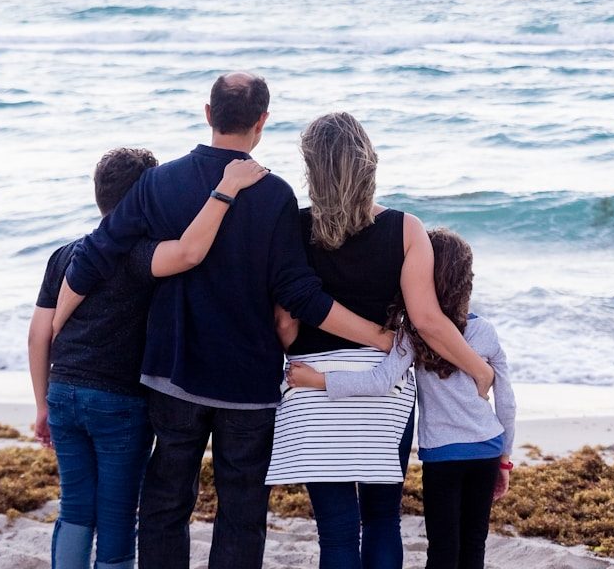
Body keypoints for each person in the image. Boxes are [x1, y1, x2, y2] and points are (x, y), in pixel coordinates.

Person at [50, 73, 395, 569]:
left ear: (208, 113)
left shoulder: (158, 182)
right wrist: (380, 338)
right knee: (242, 510)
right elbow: (300, 294)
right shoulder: (274, 195)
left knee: (166, 503)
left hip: (172, 373)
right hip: (247, 384)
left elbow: (95, 256)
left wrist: (58, 327)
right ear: (262, 122)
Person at [264, 113, 495, 569]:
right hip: (383, 390)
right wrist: (478, 368)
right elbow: (428, 320)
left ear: (312, 169)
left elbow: (285, 326)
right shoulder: (407, 229)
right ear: (368, 163)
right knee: (383, 519)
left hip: (314, 390)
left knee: (336, 534)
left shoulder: (290, 227)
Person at [29, 146, 268, 569]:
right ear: (147, 197)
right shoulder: (140, 256)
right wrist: (227, 188)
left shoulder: (65, 255)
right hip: (119, 402)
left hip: (63, 393)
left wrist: (41, 403)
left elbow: (37, 336)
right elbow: (190, 251)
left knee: (75, 511)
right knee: (119, 516)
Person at [288, 228, 516, 569]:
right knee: (473, 545)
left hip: (443, 456)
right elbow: (507, 401)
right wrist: (504, 458)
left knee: (442, 548)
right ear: (466, 279)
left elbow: (379, 382)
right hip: (487, 448)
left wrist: (318, 380)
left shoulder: (413, 334)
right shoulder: (485, 331)